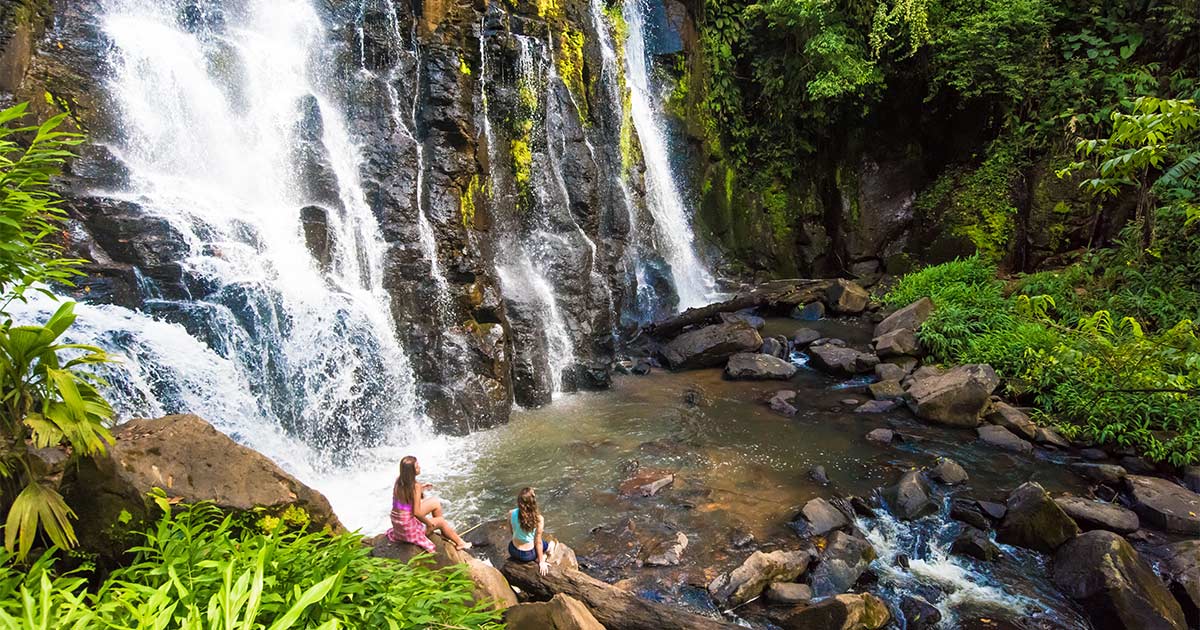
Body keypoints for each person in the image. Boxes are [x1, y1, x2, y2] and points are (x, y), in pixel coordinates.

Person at [387, 455, 471, 551]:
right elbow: (416, 512)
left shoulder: (399, 480)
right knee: (441, 521)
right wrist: (429, 524)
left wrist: (422, 487)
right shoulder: (415, 486)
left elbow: (407, 495)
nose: (420, 467)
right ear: (412, 472)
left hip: (399, 525)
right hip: (408, 530)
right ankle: (460, 543)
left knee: (434, 502)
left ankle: (444, 533)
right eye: (417, 467)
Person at [508, 487, 556, 576]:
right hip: (527, 555)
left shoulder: (511, 513)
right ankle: (546, 552)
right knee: (546, 544)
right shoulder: (539, 519)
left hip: (512, 550)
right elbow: (538, 542)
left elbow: (512, 531)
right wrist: (541, 562)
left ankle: (541, 554)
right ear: (533, 502)